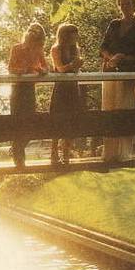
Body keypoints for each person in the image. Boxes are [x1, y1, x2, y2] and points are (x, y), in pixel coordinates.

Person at [100, 0, 135, 161]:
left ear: (134, 6)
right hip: (109, 71)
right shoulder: (114, 25)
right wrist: (110, 58)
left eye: (128, 3)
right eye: (122, 3)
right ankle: (109, 153)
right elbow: (103, 47)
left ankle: (123, 153)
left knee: (124, 108)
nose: (125, 6)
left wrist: (122, 57)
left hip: (126, 73)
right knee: (108, 109)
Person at [8, 23, 48, 168]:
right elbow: (10, 68)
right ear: (27, 39)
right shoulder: (17, 48)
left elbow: (45, 66)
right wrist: (20, 70)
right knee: (18, 122)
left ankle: (16, 149)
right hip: (17, 90)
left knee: (30, 123)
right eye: (32, 43)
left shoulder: (38, 51)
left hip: (30, 89)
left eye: (36, 44)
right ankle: (19, 160)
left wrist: (41, 70)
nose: (33, 46)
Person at [49, 23, 84, 165]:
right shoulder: (56, 49)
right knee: (57, 120)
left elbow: (75, 71)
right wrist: (73, 65)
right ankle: (53, 153)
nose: (75, 37)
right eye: (72, 34)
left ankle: (66, 153)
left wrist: (78, 66)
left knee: (71, 120)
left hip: (73, 88)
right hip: (61, 88)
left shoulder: (76, 49)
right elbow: (60, 68)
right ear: (65, 35)